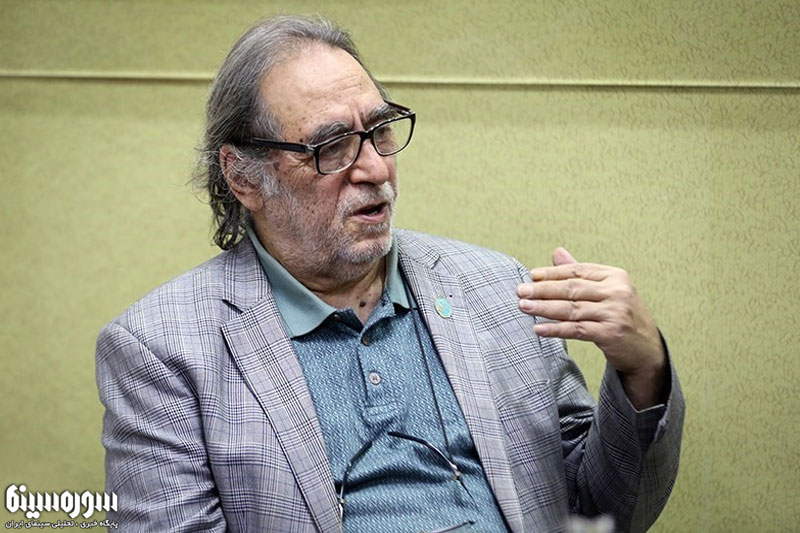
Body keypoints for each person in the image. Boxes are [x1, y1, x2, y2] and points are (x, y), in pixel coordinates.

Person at [95, 14, 684, 533]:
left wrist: (641, 369)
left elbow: (599, 511)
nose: (375, 169)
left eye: (379, 131)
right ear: (244, 177)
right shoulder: (162, 349)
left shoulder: (495, 288)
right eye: (331, 146)